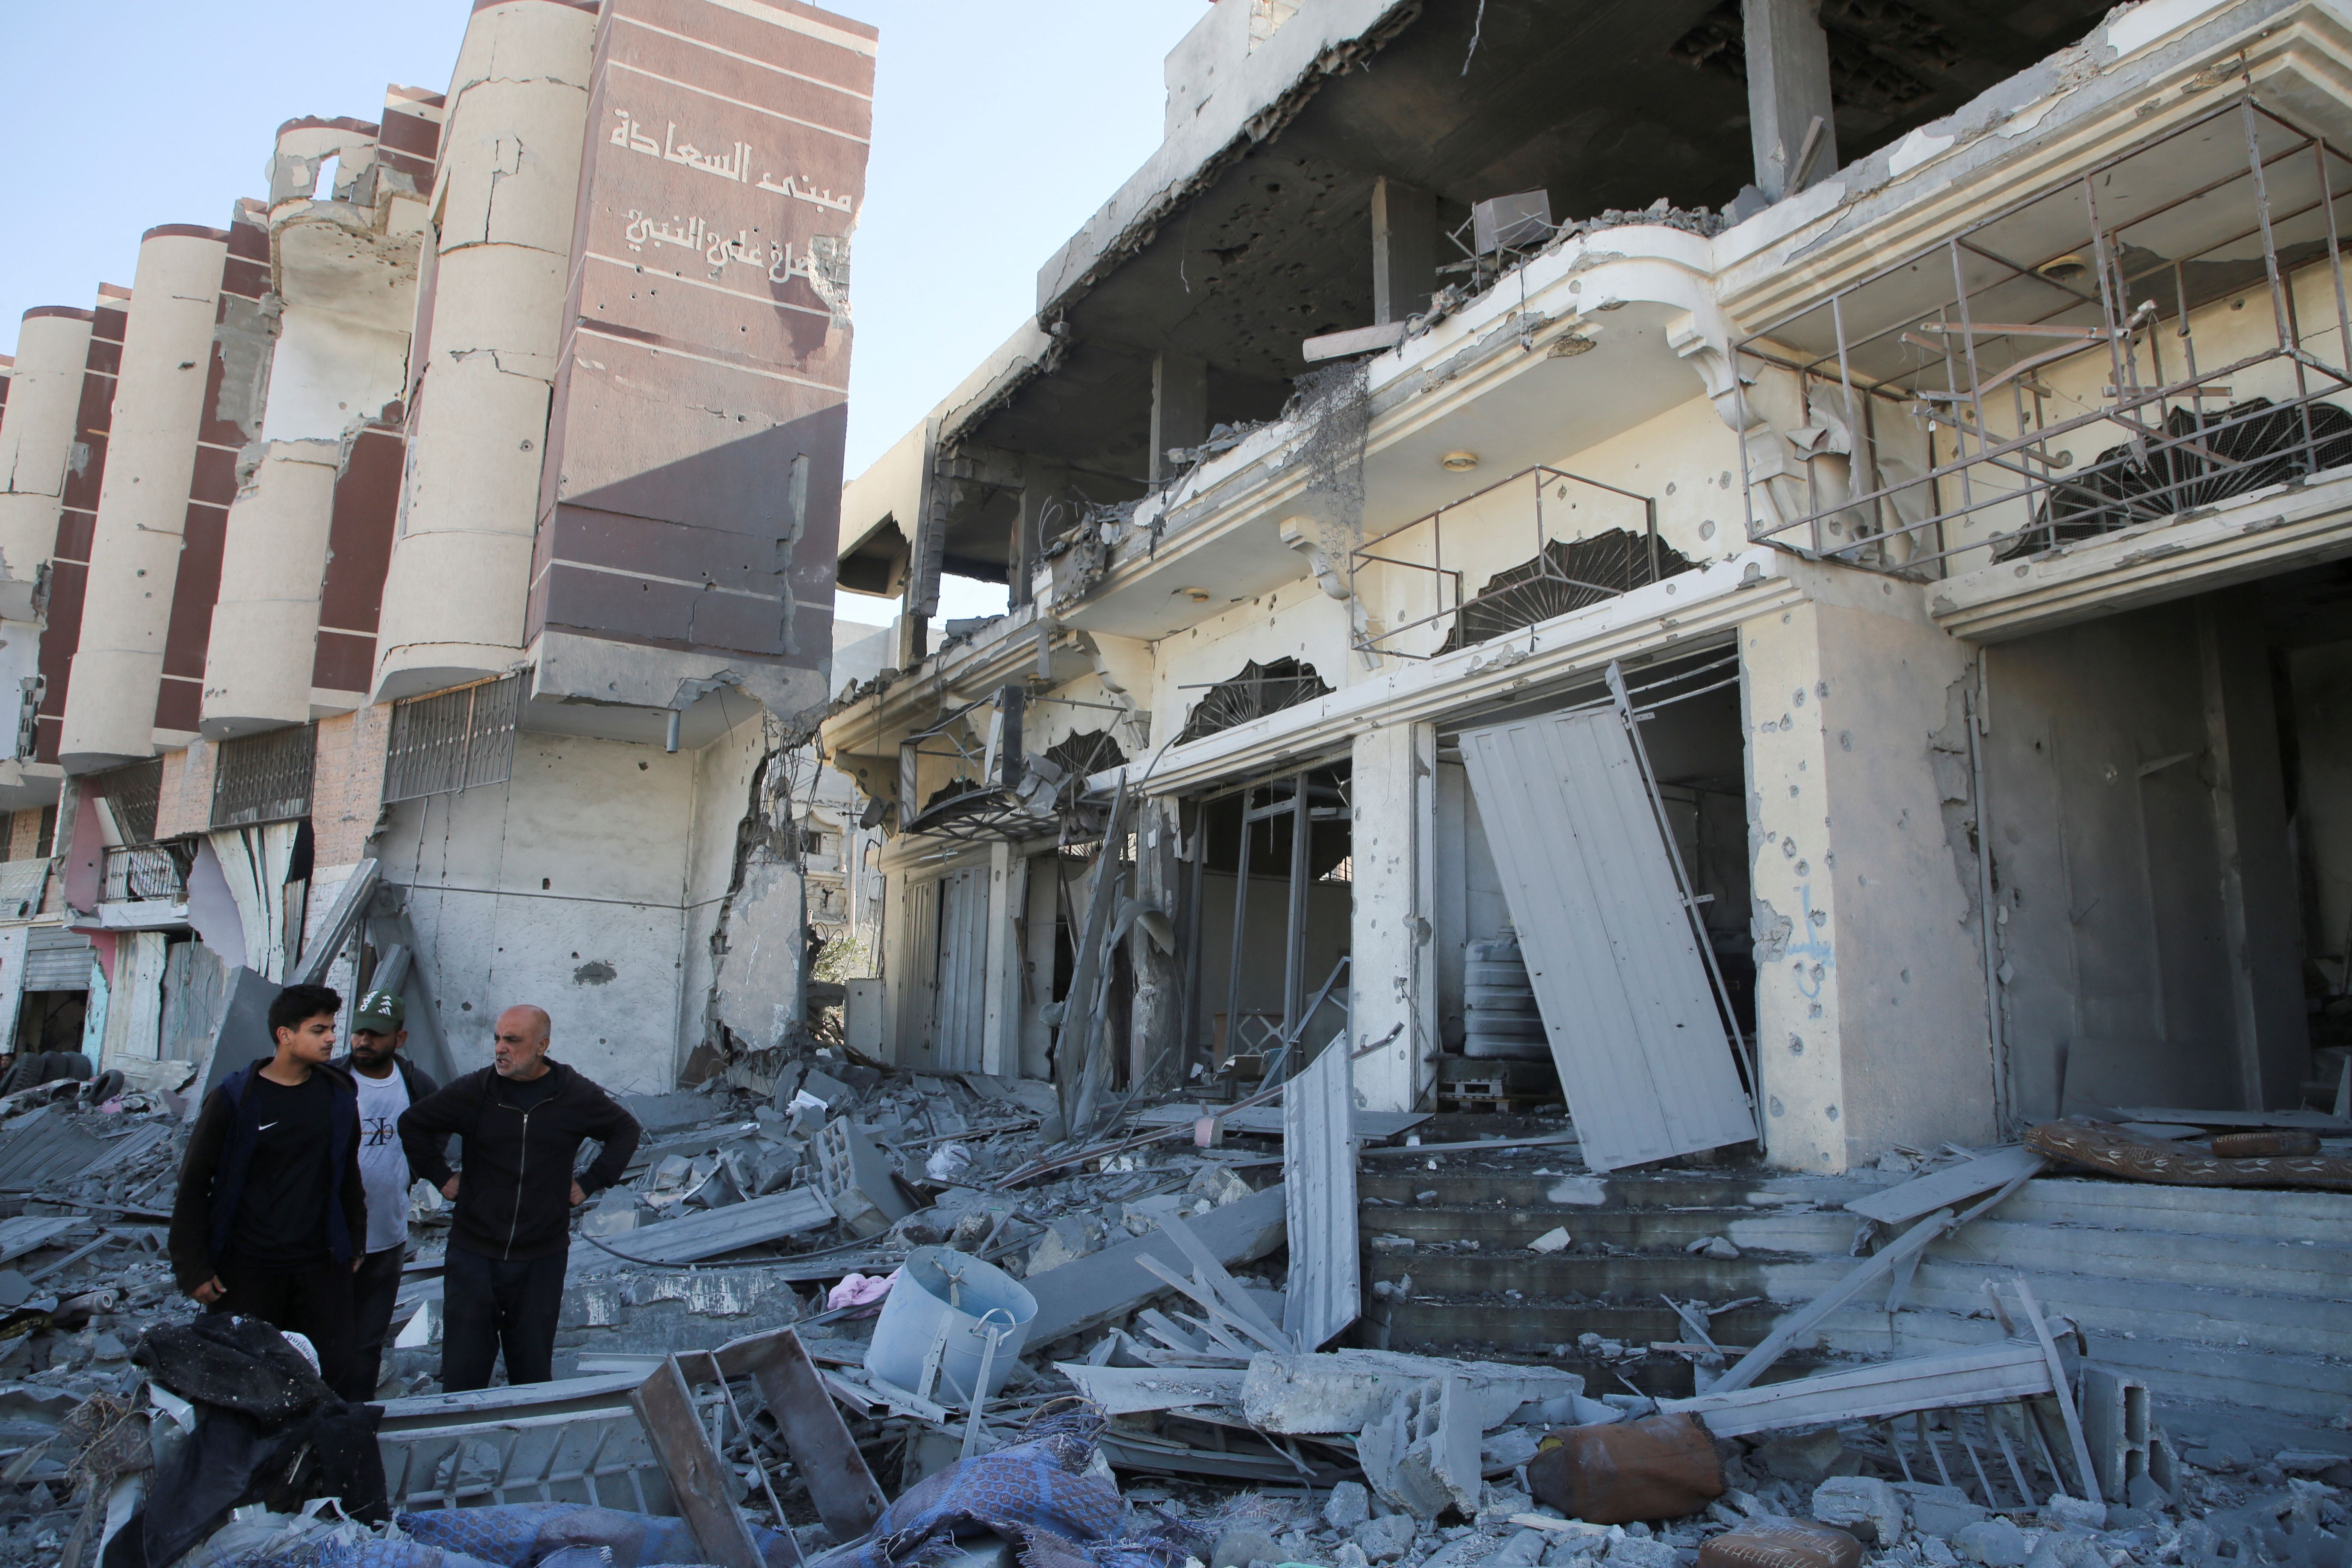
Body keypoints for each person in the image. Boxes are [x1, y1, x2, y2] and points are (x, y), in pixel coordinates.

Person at [398, 1006, 640, 1391]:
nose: (500, 1048)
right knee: (463, 1375)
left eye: (512, 1040)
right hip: (474, 1254)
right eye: (497, 1038)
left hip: (540, 1258)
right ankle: (459, 1447)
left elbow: (625, 1130)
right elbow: (412, 1124)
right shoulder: (476, 1091)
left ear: (542, 1045)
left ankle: (524, 1443)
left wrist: (591, 1181)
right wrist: (441, 1176)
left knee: (531, 1374)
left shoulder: (572, 1094)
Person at [168, 982, 365, 1392]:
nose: (332, 1037)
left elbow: (347, 1175)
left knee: (330, 1378)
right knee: (242, 1382)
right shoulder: (236, 1099)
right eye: (318, 1029)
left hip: (319, 1268)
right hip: (248, 1270)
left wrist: (354, 1244)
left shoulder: (338, 1096)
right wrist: (194, 1268)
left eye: (332, 1027)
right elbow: (193, 1185)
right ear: (285, 1035)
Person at [331, 989, 442, 1403]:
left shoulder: (415, 1084)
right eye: (359, 1032)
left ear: (399, 1038)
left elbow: (437, 1129)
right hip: (333, 1240)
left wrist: (414, 1171)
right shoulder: (332, 1081)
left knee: (367, 1343)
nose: (364, 1041)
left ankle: (354, 1425)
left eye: (376, 1034)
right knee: (324, 1336)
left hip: (388, 1236)